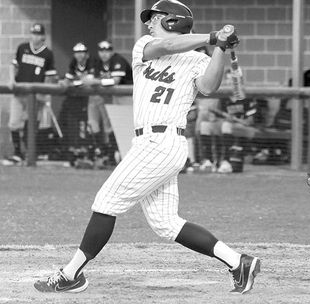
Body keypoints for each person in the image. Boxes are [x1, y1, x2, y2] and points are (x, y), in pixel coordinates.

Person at [34, 0, 260, 294]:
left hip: (163, 141)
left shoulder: (197, 60)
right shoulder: (145, 46)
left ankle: (71, 273)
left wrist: (219, 49)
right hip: (148, 142)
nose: (148, 23)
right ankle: (238, 262)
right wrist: (212, 37)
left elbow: (208, 87)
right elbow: (166, 48)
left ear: (172, 21)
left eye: (154, 18)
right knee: (166, 223)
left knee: (106, 202)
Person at [2, 23, 57, 165]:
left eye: (38, 34)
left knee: (31, 126)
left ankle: (29, 155)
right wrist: (11, 79)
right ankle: (17, 154)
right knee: (14, 123)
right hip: (19, 93)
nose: (35, 37)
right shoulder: (23, 48)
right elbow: (14, 65)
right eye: (33, 33)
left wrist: (44, 92)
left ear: (43, 36)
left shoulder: (47, 53)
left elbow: (50, 76)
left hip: (36, 96)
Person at [86, 40, 134, 166]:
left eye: (107, 51)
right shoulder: (98, 63)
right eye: (102, 51)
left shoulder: (118, 60)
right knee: (113, 125)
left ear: (111, 51)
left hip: (128, 96)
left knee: (127, 127)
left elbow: (116, 81)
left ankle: (124, 155)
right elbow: (88, 79)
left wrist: (98, 82)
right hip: (113, 98)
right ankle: (111, 154)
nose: (104, 54)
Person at [58, 42, 96, 161]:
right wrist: (62, 83)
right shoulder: (73, 63)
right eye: (77, 53)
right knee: (72, 123)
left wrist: (74, 82)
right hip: (77, 101)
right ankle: (76, 150)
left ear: (86, 54)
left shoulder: (92, 62)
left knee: (90, 125)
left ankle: (95, 151)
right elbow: (67, 80)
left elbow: (89, 81)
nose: (79, 55)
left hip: (92, 99)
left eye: (82, 52)